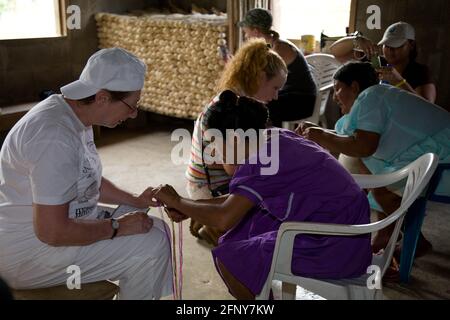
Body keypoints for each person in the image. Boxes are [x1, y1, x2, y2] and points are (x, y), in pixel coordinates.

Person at [156, 90, 372, 300]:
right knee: (241, 231)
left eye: (215, 143)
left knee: (230, 259)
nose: (213, 153)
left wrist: (178, 201)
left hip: (334, 246)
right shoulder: (272, 139)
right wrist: (189, 207)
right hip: (347, 231)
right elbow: (236, 203)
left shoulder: (260, 162)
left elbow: (224, 217)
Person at [0, 48, 172, 300]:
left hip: (54, 225)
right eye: (131, 106)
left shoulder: (76, 113)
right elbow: (52, 232)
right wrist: (116, 227)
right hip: (28, 251)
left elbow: (87, 178)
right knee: (151, 246)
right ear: (102, 97)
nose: (133, 114)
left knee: (154, 226)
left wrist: (135, 199)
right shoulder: (54, 136)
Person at [297, 62, 450, 255]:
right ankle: (386, 233)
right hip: (436, 148)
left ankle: (414, 240)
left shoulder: (372, 96)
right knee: (371, 166)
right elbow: (352, 139)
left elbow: (364, 146)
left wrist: (321, 136)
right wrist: (318, 133)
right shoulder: (378, 98)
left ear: (354, 87)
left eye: (337, 89)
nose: (335, 97)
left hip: (444, 153)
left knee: (382, 186)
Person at [185, 39, 288, 245]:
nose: (276, 96)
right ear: (259, 78)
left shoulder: (235, 99)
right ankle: (213, 223)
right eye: (275, 88)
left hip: (210, 177)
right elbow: (233, 168)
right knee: (271, 200)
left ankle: (207, 217)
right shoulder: (234, 111)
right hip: (212, 185)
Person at [238, 8, 317, 127]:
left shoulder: (279, 49)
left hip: (303, 101)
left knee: (260, 105)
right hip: (288, 96)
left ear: (255, 31)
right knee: (255, 100)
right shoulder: (271, 45)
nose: (246, 36)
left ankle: (273, 141)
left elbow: (262, 77)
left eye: (246, 32)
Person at [330, 22, 437, 103]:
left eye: (397, 45)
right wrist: (356, 40)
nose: (390, 50)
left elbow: (427, 108)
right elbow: (336, 52)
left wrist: (399, 82)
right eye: (387, 45)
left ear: (411, 45)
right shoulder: (375, 61)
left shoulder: (419, 72)